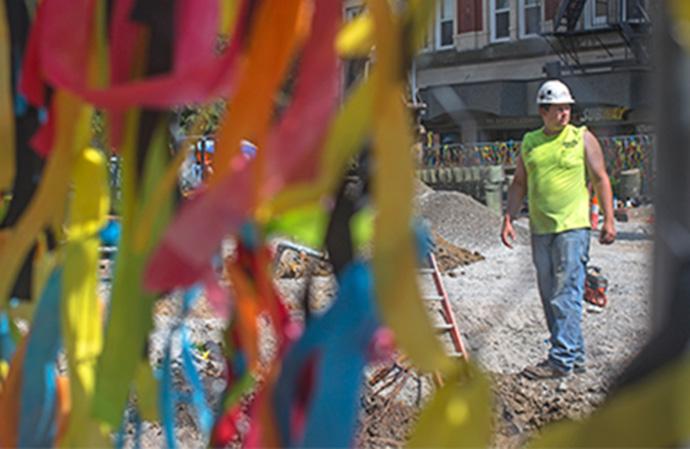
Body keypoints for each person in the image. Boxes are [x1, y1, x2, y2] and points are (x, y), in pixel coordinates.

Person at [500, 79, 616, 380]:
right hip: (541, 229)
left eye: (567, 108)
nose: (564, 114)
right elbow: (519, 184)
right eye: (557, 109)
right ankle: (574, 356)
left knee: (567, 293)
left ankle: (560, 358)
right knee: (549, 294)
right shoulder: (530, 142)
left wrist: (608, 219)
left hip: (573, 228)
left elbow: (601, 178)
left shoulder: (582, 138)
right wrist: (509, 218)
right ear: (543, 111)